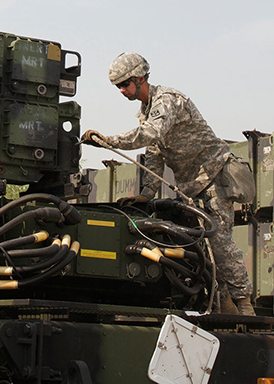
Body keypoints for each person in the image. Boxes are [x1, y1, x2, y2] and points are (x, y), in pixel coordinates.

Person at [81, 51, 255, 316]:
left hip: (214, 176)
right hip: (192, 187)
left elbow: (152, 133)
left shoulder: (168, 100)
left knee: (220, 242)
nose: (122, 90)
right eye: (118, 86)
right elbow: (154, 154)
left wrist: (111, 141)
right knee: (201, 248)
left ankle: (244, 305)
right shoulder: (145, 113)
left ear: (140, 78)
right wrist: (147, 193)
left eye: (125, 84)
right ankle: (223, 305)